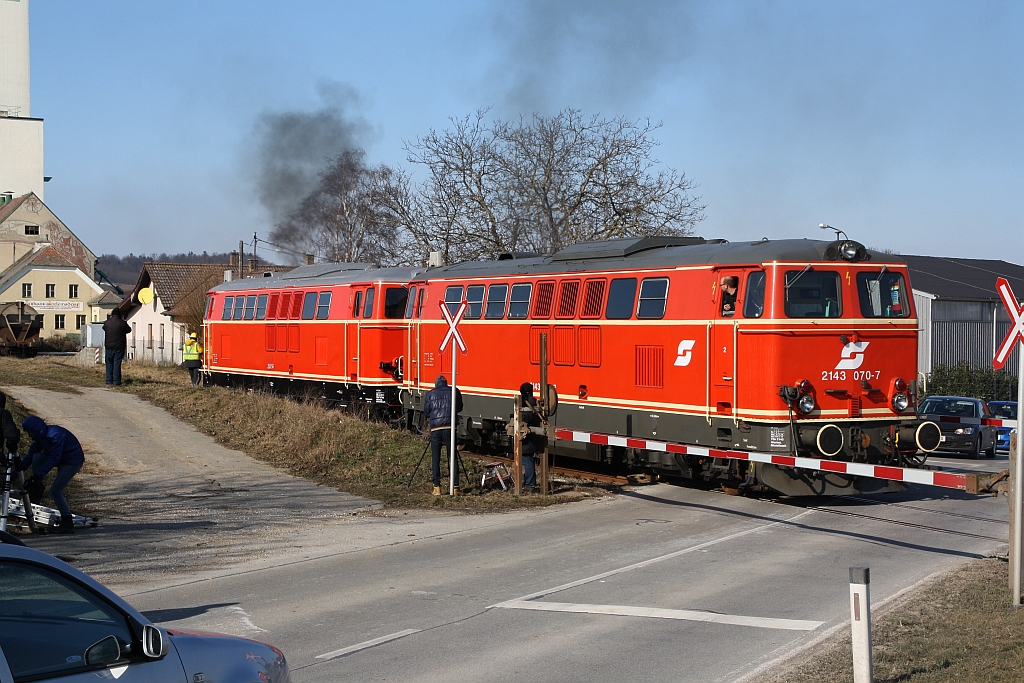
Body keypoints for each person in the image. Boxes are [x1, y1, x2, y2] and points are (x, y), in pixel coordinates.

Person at [20, 416, 84, 533]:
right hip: (61, 458)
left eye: (29, 433)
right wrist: (16, 472)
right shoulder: (40, 437)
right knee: (36, 457)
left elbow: (54, 458)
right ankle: (38, 488)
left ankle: (67, 522)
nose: (29, 436)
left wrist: (36, 476)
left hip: (71, 462)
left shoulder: (55, 435)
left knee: (55, 491)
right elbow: (30, 457)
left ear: (35, 430)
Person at [423, 375, 463, 496]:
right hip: (450, 427)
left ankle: (437, 487)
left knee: (436, 459)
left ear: (436, 384)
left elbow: (426, 412)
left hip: (436, 428)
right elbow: (460, 407)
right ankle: (455, 487)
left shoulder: (430, 394)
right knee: (453, 458)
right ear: (446, 383)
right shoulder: (454, 391)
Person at [518, 382, 544, 491]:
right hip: (534, 437)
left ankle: (530, 483)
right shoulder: (534, 401)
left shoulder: (526, 402)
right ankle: (528, 481)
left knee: (526, 458)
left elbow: (527, 417)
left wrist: (519, 419)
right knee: (529, 459)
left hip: (528, 438)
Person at [102, 310, 131, 386]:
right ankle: (117, 381)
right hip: (119, 347)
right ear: (119, 315)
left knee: (109, 363)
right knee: (117, 363)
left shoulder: (107, 323)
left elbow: (104, 328)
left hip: (109, 346)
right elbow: (129, 330)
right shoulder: (122, 323)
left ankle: (108, 380)